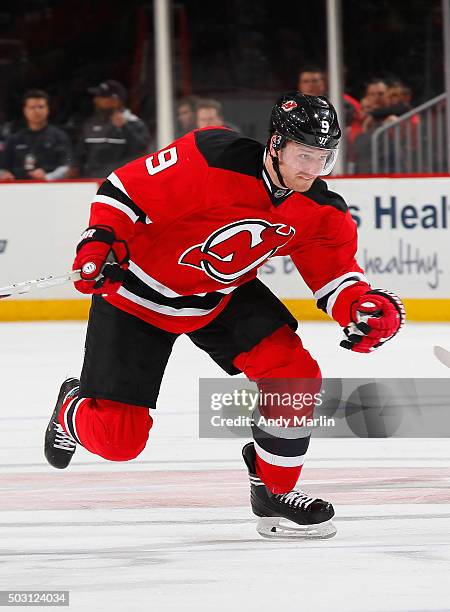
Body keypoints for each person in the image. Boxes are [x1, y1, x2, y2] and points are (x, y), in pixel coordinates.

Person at [44, 93, 405, 539]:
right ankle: (72, 408)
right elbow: (124, 188)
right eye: (304, 155)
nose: (313, 169)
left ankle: (273, 489)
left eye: (324, 158)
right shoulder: (212, 156)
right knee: (119, 441)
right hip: (137, 296)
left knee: (295, 375)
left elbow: (333, 273)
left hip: (219, 294)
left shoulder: (319, 209)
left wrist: (359, 306)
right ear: (275, 143)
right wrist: (100, 240)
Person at [76, 80, 150, 178]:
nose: (95, 100)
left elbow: (143, 153)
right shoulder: (90, 124)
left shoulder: (135, 123)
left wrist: (125, 127)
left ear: (115, 101)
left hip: (122, 183)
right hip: (91, 182)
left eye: (101, 97)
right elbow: (80, 156)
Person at [0, 89, 72, 181]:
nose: (36, 111)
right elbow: (3, 167)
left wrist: (48, 177)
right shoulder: (14, 139)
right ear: (25, 110)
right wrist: (3, 174)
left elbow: (66, 167)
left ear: (47, 109)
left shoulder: (59, 137)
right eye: (32, 107)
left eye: (40, 107)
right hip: (18, 188)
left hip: (50, 188)